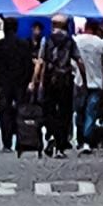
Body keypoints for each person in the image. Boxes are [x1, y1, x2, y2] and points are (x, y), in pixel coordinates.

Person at [35, 19, 79, 157]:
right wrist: (84, 78)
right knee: (65, 112)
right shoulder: (70, 41)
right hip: (65, 80)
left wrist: (35, 80)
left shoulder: (46, 40)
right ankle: (61, 144)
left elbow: (41, 61)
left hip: (50, 79)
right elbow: (78, 60)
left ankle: (51, 135)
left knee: (49, 110)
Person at [0, 18, 33, 152]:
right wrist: (27, 82)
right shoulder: (24, 44)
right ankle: (21, 139)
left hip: (4, 83)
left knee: (4, 113)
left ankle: (6, 142)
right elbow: (28, 66)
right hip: (20, 83)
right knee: (20, 112)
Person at [74, 21, 103, 150]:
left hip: (80, 81)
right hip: (96, 81)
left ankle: (79, 139)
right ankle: (87, 140)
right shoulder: (102, 44)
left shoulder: (76, 41)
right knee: (91, 111)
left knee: (79, 111)